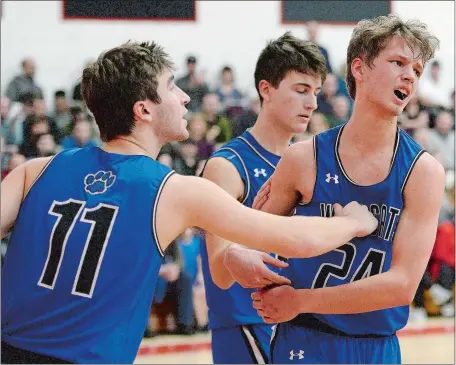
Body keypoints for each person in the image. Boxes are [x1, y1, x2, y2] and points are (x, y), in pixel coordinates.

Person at [0, 41, 378, 364]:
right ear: (144, 110)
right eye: (171, 86)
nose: (183, 97)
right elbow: (296, 240)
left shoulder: (34, 171)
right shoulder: (174, 190)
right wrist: (355, 223)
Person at [249, 15, 444, 364]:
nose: (409, 76)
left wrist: (300, 300)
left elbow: (402, 287)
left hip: (375, 345)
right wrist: (250, 243)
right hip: (304, 341)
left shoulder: (423, 172)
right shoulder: (303, 158)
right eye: (398, 62)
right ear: (359, 68)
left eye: (416, 69)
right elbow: (252, 245)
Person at [200, 31, 329, 364]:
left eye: (315, 93)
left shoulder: (306, 163)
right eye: (301, 90)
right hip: (246, 326)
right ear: (266, 89)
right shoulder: (227, 165)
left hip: (298, 322)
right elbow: (220, 269)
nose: (312, 103)